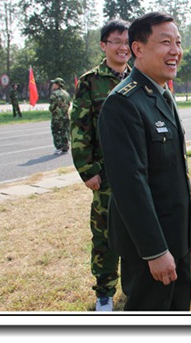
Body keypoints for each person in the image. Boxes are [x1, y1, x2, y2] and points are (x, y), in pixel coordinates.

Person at [98, 12, 191, 311]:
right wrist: (154, 251)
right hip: (150, 247)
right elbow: (130, 186)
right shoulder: (124, 103)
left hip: (176, 237)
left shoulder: (161, 94)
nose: (175, 50)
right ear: (138, 49)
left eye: (177, 42)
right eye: (165, 42)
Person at [70, 19, 132, 311]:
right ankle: (104, 292)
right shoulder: (90, 81)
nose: (122, 47)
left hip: (136, 172)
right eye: (116, 41)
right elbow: (79, 128)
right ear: (104, 45)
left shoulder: (139, 77)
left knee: (137, 229)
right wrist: (87, 170)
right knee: (105, 235)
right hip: (105, 175)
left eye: (126, 41)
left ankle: (133, 285)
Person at [49, 77, 71, 155]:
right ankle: (65, 148)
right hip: (65, 116)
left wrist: (52, 110)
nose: (53, 85)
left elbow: (52, 106)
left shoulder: (54, 94)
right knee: (65, 131)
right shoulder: (66, 94)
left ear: (58, 84)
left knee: (55, 131)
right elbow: (69, 104)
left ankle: (59, 147)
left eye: (54, 83)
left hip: (57, 117)